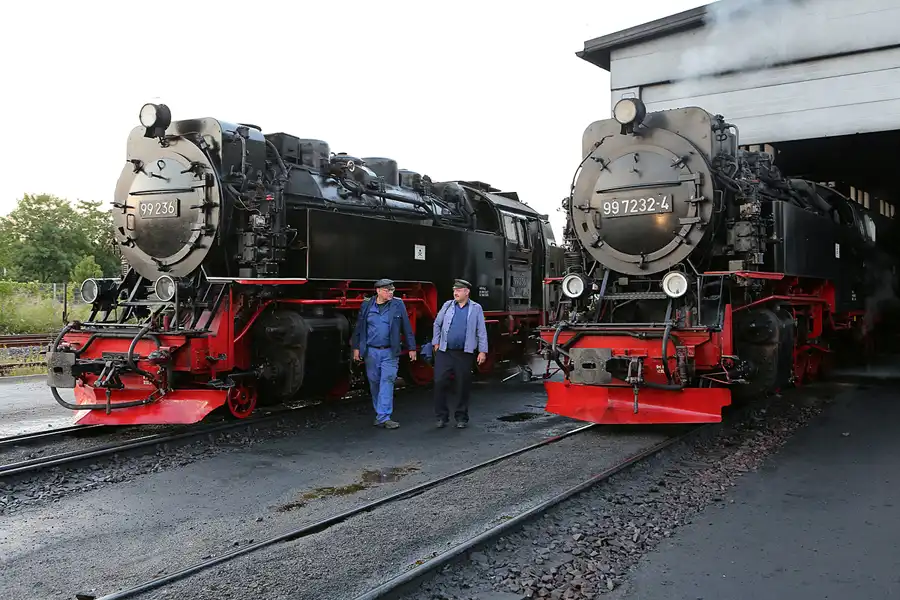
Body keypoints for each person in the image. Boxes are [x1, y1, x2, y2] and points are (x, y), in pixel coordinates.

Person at [351, 279, 417, 429]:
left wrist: (411, 348)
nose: (391, 293)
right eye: (388, 290)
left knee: (387, 380)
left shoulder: (398, 304)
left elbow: (406, 327)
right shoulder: (367, 304)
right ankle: (380, 414)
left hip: (390, 351)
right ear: (378, 291)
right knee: (374, 382)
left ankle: (384, 416)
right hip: (371, 351)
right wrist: (356, 348)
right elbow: (359, 328)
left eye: (392, 290)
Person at [431, 279, 488, 429]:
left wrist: (482, 351)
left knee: (462, 384)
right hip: (445, 352)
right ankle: (441, 417)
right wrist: (436, 342)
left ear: (467, 292)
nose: (455, 292)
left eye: (459, 290)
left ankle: (461, 417)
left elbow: (481, 331)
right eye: (454, 290)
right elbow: (437, 323)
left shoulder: (476, 308)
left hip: (464, 353)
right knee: (439, 382)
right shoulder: (447, 305)